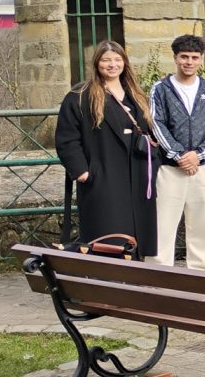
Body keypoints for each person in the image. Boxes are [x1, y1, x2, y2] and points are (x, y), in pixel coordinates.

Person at [55, 40, 158, 259]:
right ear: (97, 63)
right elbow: (67, 138)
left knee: (135, 234)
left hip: (137, 176)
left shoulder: (137, 95)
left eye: (117, 59)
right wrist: (82, 171)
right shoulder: (80, 96)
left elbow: (151, 132)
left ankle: (133, 280)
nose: (112, 65)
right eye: (106, 60)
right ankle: (108, 282)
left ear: (125, 63)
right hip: (103, 175)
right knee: (107, 235)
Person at [147, 34, 205, 271]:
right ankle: (158, 273)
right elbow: (156, 123)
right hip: (172, 168)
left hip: (204, 166)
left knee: (204, 223)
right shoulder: (160, 89)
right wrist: (179, 154)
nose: (189, 62)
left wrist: (199, 154)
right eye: (184, 57)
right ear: (175, 58)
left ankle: (201, 271)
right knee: (163, 223)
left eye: (194, 57)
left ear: (201, 59)